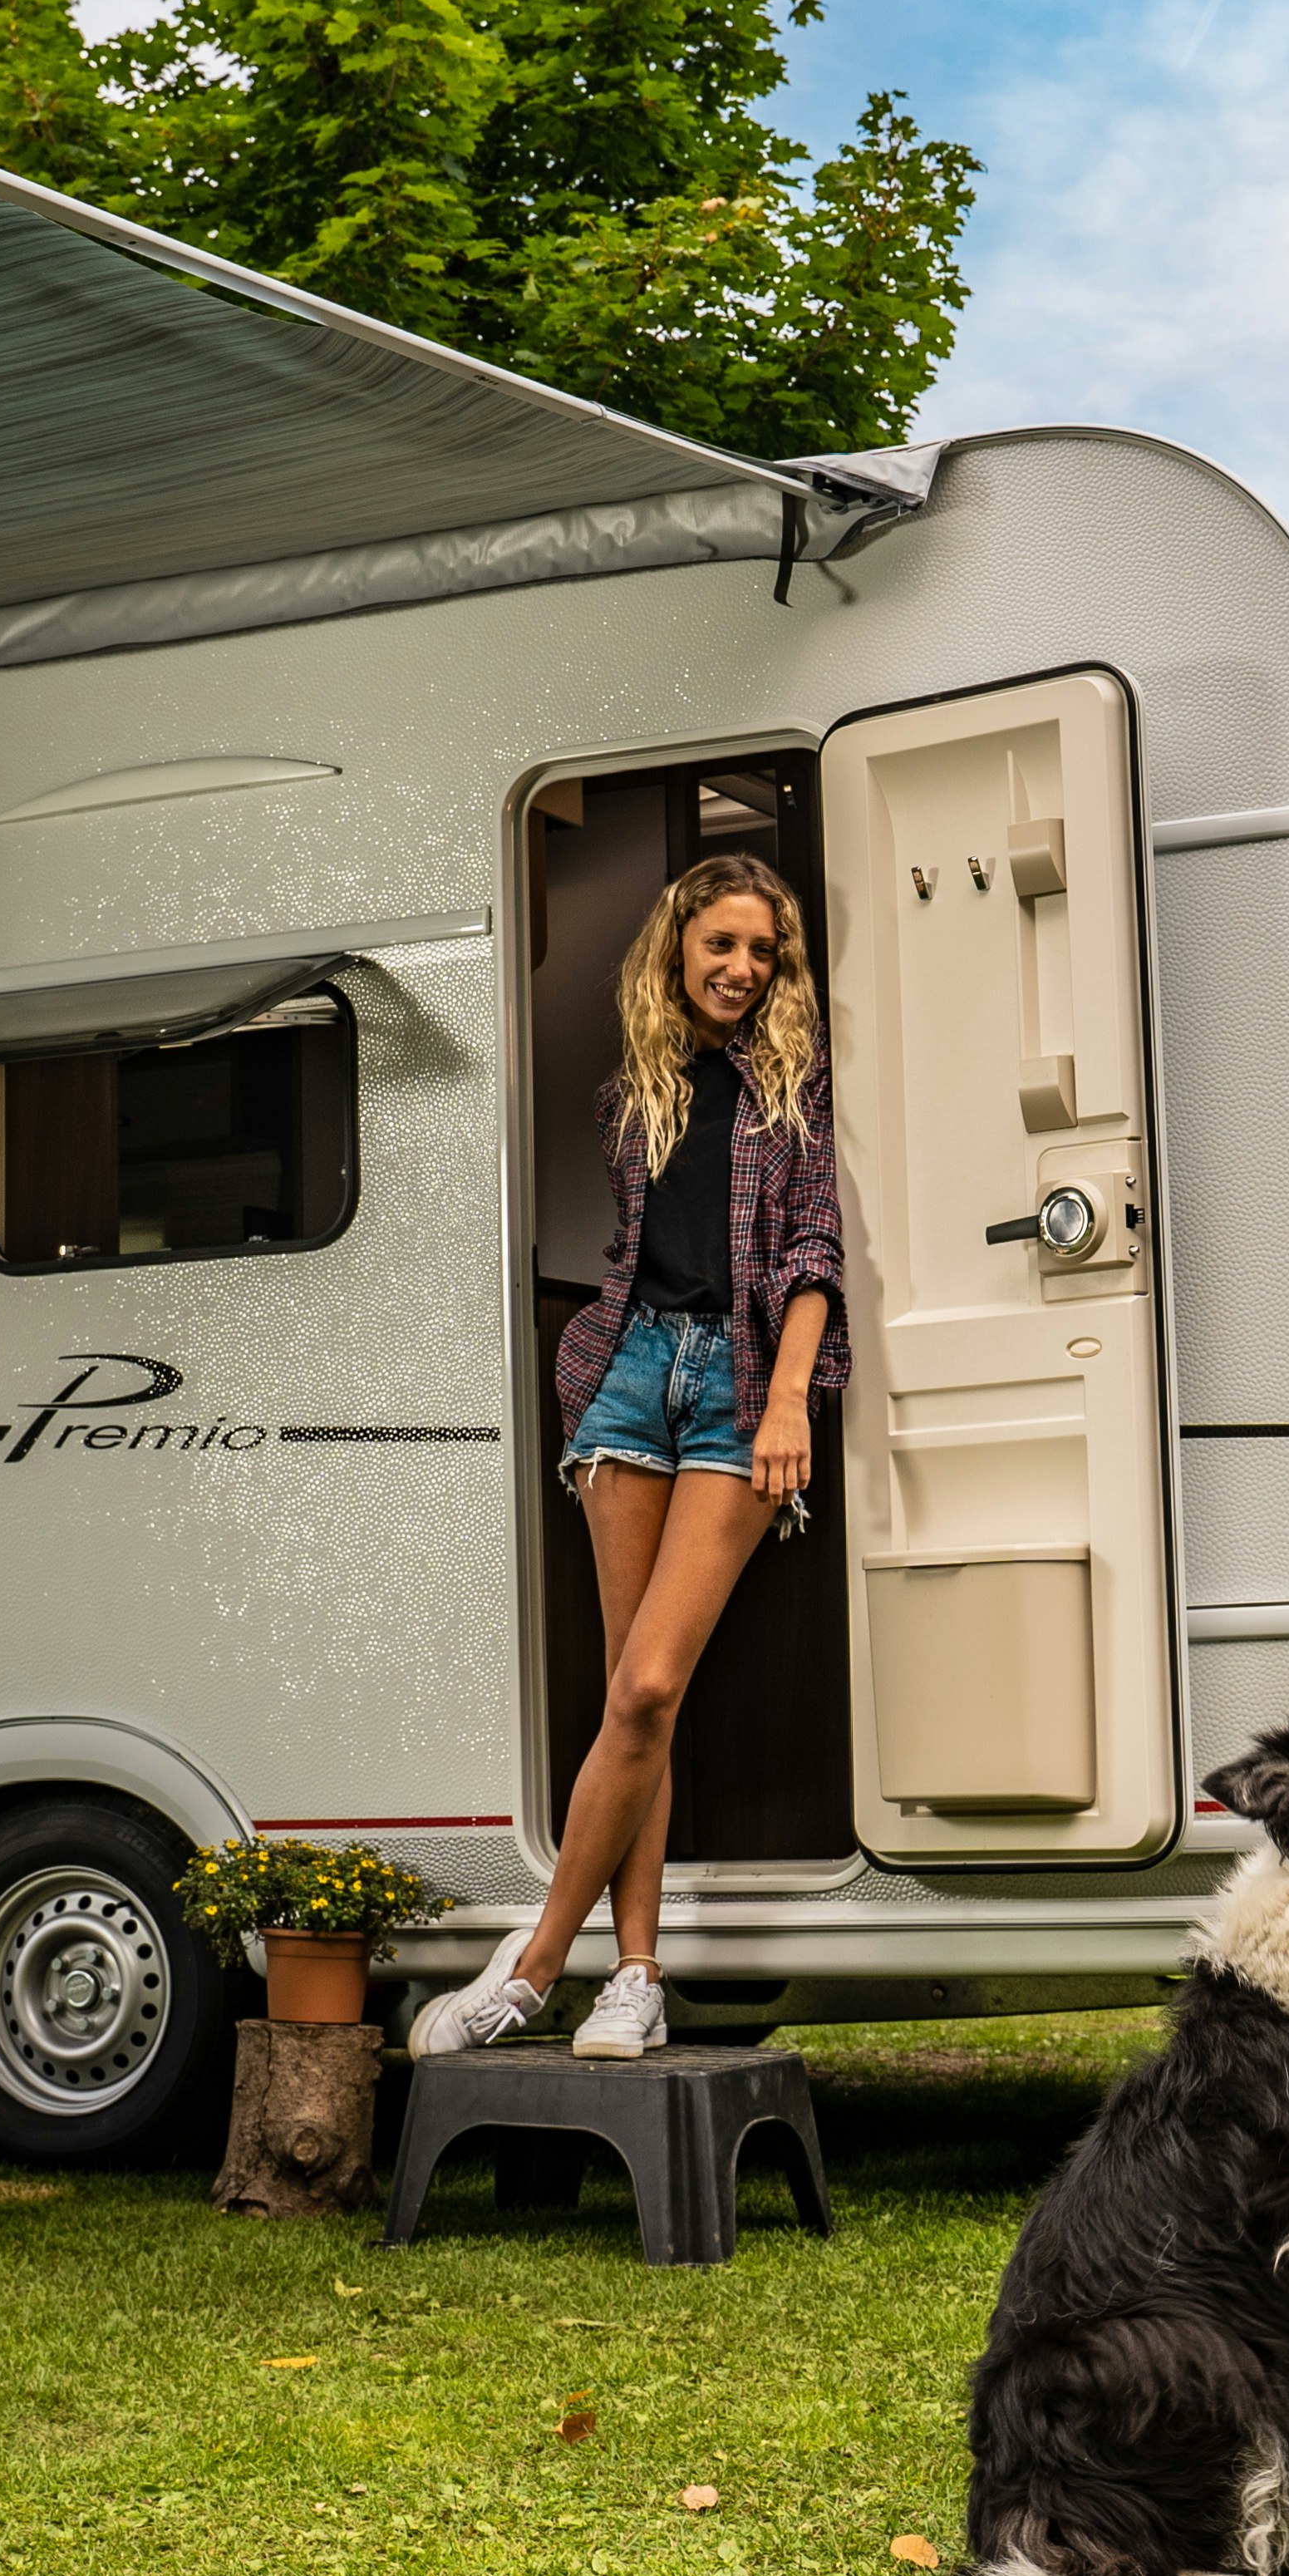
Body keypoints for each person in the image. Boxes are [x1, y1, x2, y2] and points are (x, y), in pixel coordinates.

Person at [416, 854, 847, 2064]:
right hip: (624, 1381)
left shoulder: (796, 1087)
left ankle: (538, 1962)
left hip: (734, 1388)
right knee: (628, 1699)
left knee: (652, 1686)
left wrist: (786, 1403)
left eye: (762, 951)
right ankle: (636, 1977)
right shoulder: (633, 1093)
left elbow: (815, 1247)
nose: (742, 968)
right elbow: (632, 1246)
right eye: (721, 944)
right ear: (677, 950)